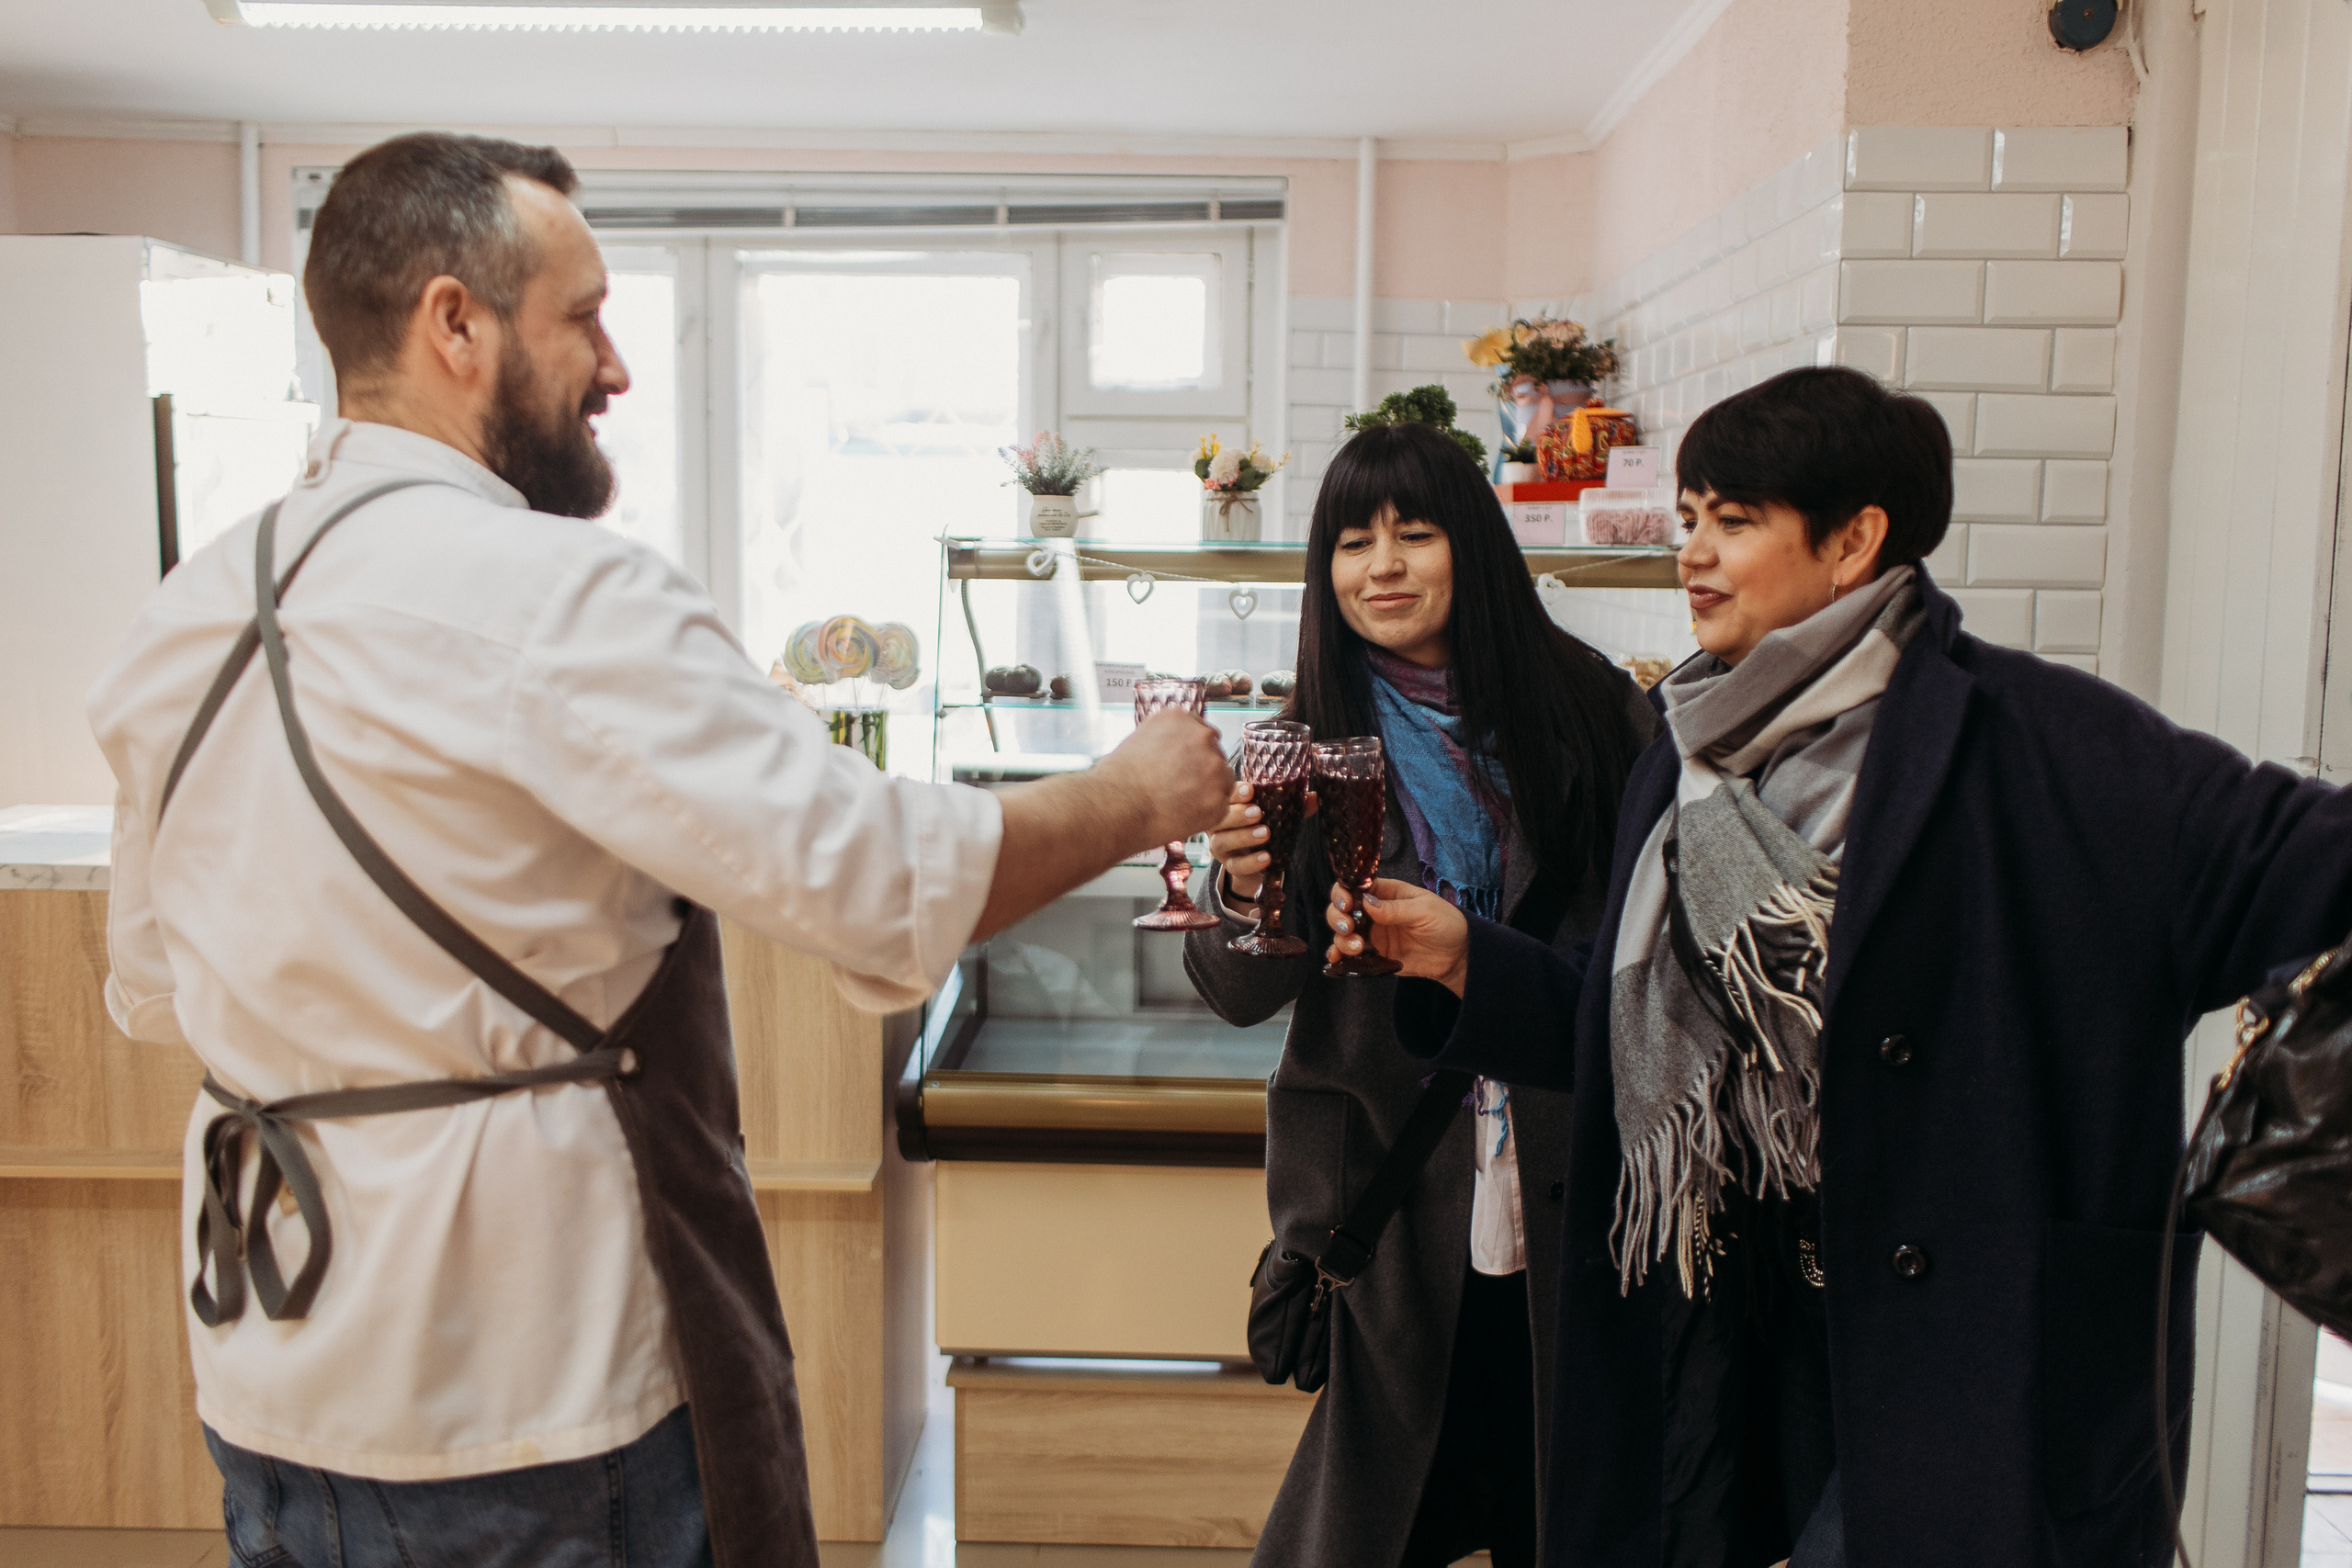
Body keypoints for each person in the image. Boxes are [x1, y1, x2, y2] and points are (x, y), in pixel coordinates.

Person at [86, 132, 1230, 1568]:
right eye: (583, 314)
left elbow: (150, 983)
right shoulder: (558, 592)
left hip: (267, 1370)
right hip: (529, 1397)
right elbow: (878, 880)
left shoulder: (183, 616)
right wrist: (1136, 793)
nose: (616, 366)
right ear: (456, 321)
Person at [1327, 366, 2352, 1568]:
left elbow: (2311, 863)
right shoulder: (1694, 752)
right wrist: (1466, 963)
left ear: (1857, 538)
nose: (1694, 553)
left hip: (1977, 1346)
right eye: (1690, 517)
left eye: (1736, 519)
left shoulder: (2049, 748)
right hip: (1738, 1326)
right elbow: (1646, 1030)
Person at [1183, 421, 1654, 1568]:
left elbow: (1646, 952)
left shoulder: (1592, 713)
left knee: (1567, 1509)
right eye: (1350, 542)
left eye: (1413, 532)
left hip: (1571, 1184)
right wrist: (1243, 890)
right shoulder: (1301, 748)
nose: (1380, 566)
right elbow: (1237, 995)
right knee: (1369, 1523)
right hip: (1386, 1204)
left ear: (1474, 547)